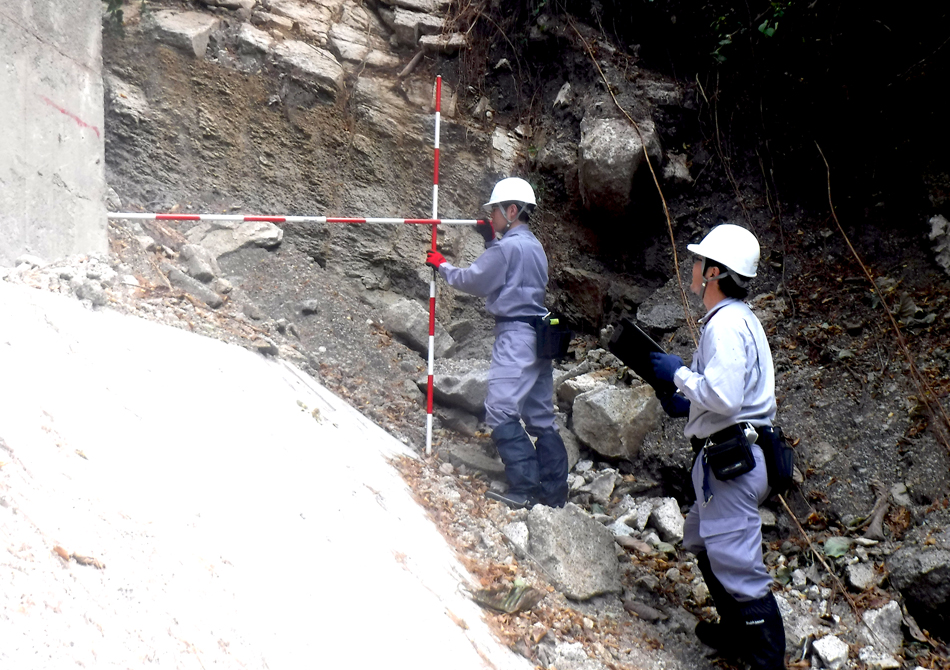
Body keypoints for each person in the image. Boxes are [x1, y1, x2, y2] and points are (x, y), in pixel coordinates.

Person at [649, 224, 786, 670]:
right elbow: (729, 395)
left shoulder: (725, 323)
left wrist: (678, 375)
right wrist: (685, 400)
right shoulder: (739, 319)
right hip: (737, 455)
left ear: (713, 272)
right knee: (700, 538)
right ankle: (734, 632)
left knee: (743, 573)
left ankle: (765, 661)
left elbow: (726, 398)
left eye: (698, 261)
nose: (692, 267)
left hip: (732, 464)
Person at [424, 177, 569, 510]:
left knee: (500, 410)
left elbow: (475, 280)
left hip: (516, 337)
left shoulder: (507, 248)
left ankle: (523, 490)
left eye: (495, 212)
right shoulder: (533, 245)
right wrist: (492, 241)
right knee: (541, 417)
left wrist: (442, 265)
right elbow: (510, 275)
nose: (492, 218)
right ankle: (554, 491)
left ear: (512, 210)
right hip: (540, 338)